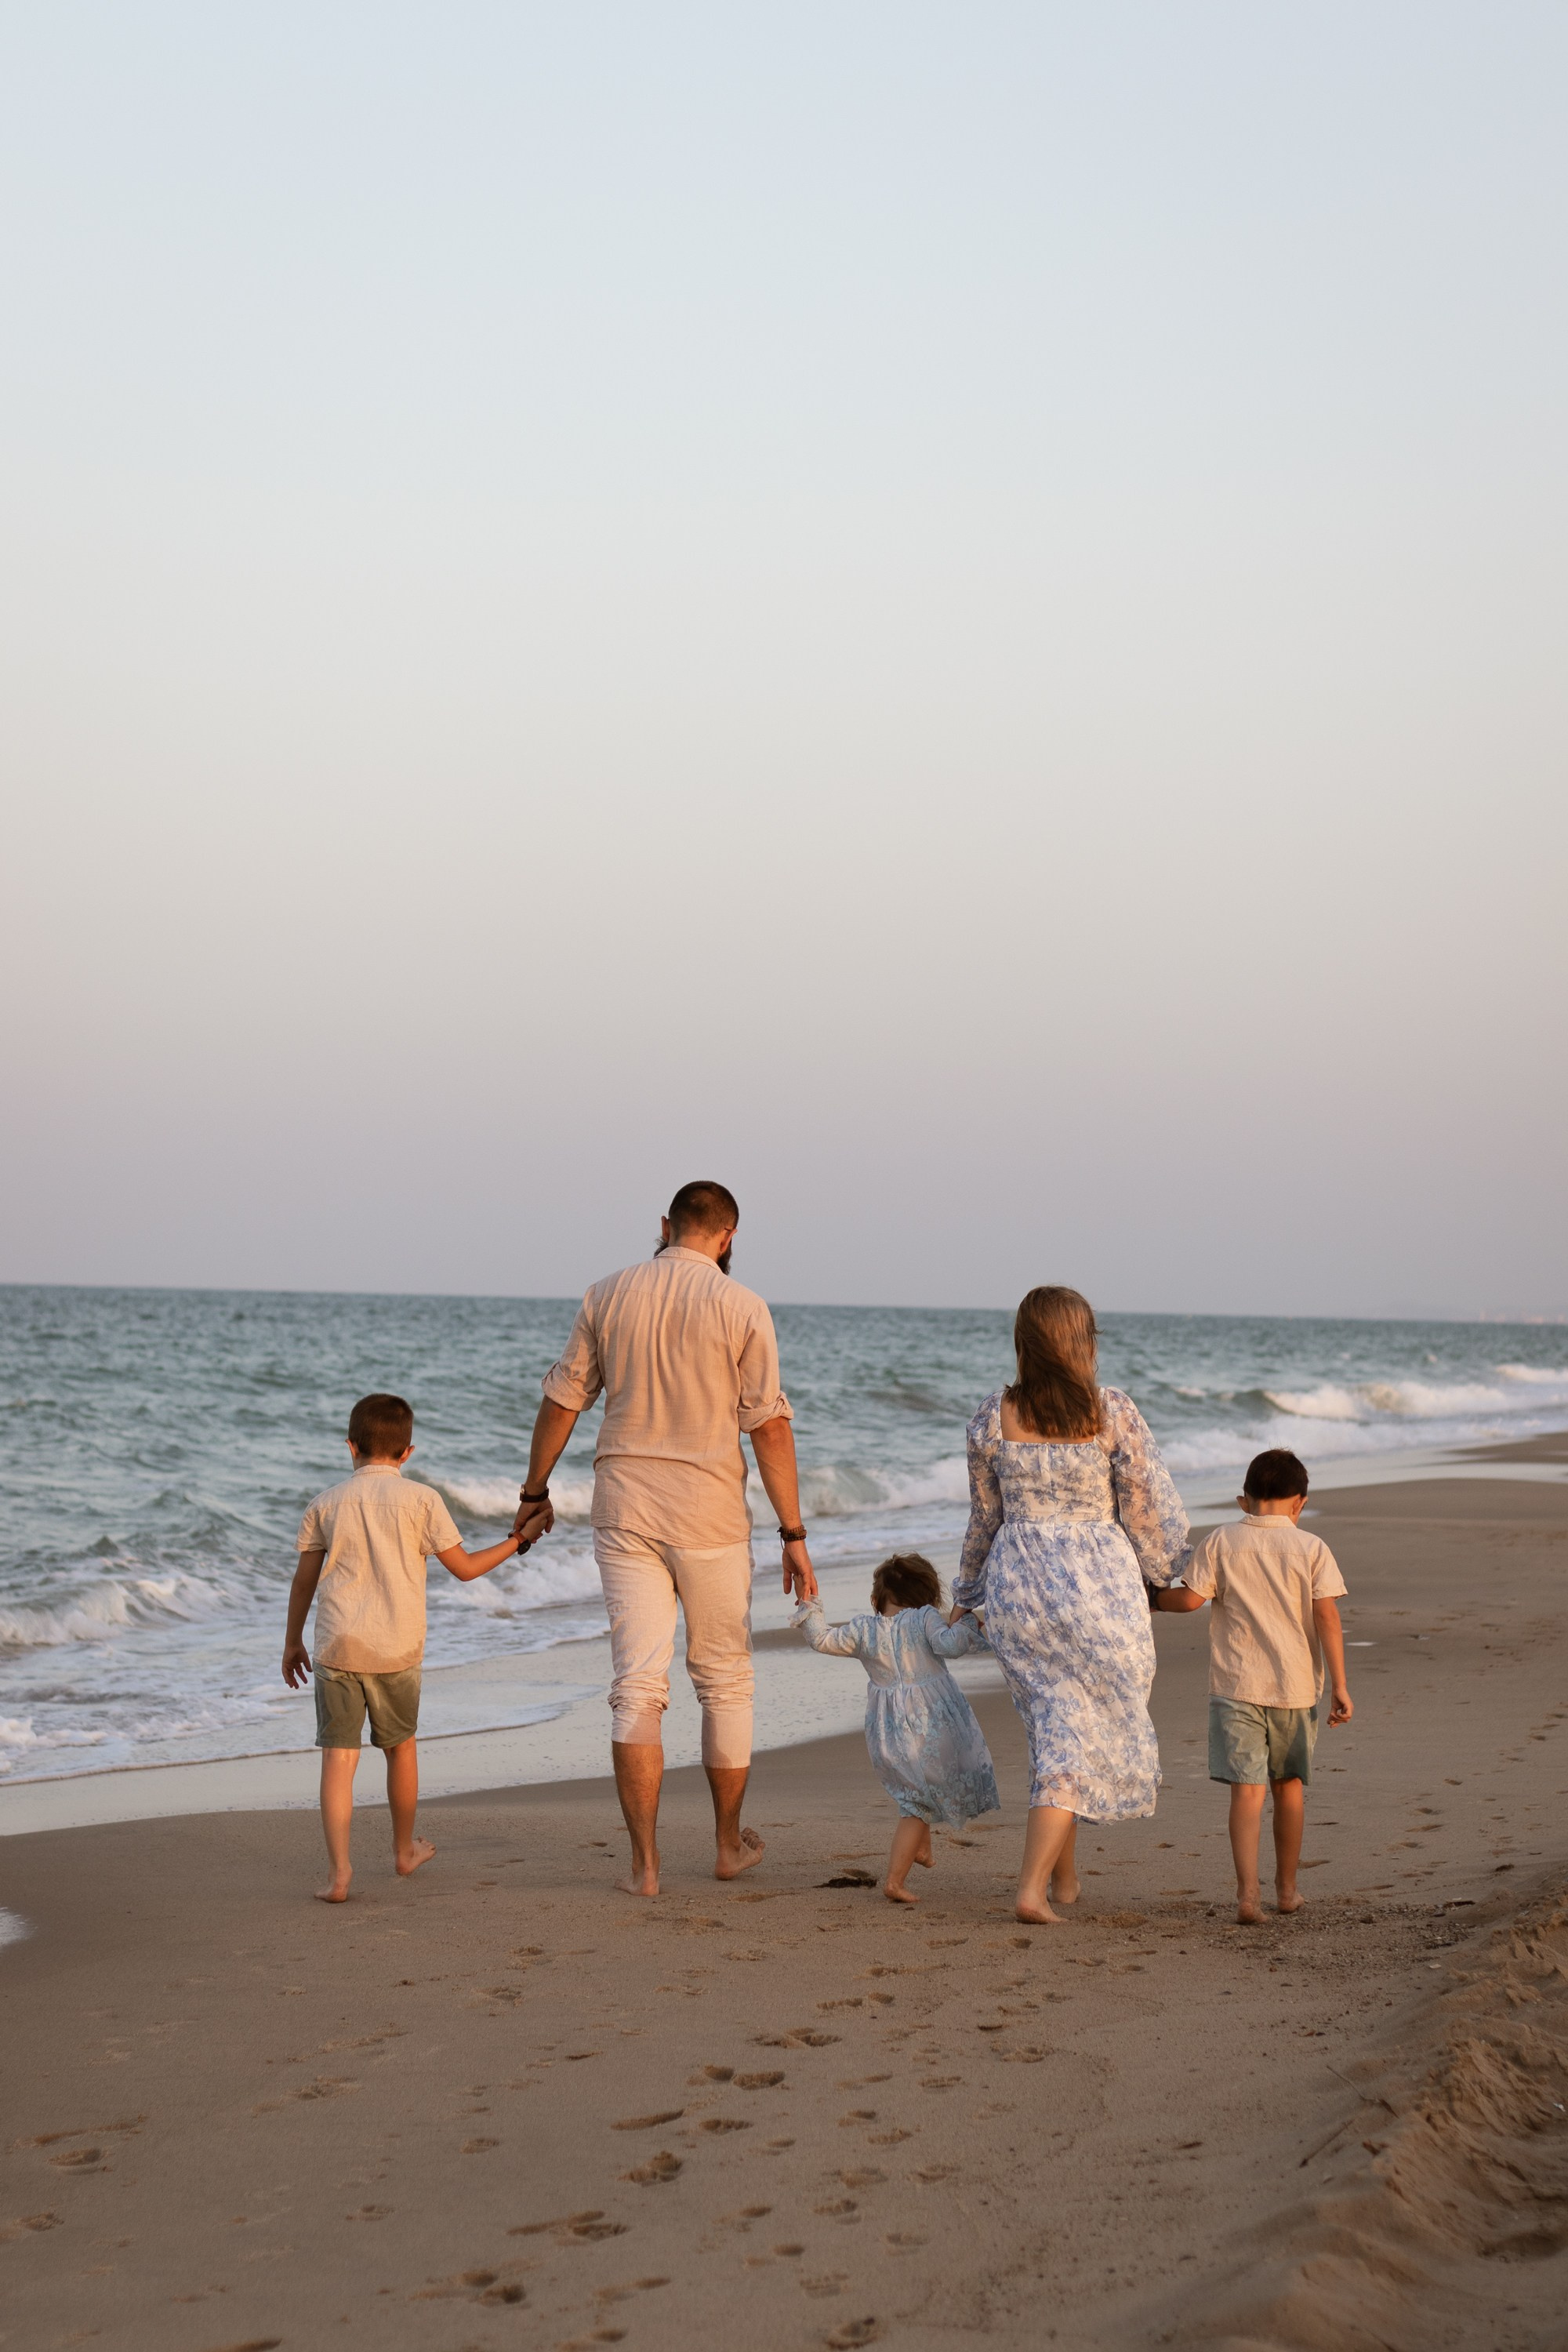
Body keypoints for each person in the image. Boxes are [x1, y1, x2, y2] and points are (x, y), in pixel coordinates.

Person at [510, 1181, 818, 1897]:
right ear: (729, 1237)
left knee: (636, 1688)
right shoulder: (743, 1306)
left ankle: (644, 1868)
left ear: (664, 1226)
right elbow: (769, 1426)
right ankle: (725, 1846)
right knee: (725, 1680)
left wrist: (534, 1493)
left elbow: (563, 1400)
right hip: (709, 1515)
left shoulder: (606, 1294)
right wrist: (793, 1533)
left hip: (624, 1508)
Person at [954, 1286, 1189, 1926]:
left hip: (1020, 1588)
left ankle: (1066, 1878)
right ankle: (1031, 1887)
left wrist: (968, 1592)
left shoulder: (991, 1416)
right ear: (1083, 1341)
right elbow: (1146, 1506)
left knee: (1054, 1723)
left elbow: (985, 1519)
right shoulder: (1111, 1411)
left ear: (1024, 1343)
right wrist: (1168, 1576)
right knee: (1072, 1730)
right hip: (1098, 1589)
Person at [282, 1392, 546, 1904]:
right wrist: (520, 1539)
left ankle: (339, 1875)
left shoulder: (325, 1504)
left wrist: (292, 1640)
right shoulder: (423, 1501)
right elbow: (465, 1569)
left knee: (339, 1760)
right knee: (400, 1749)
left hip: (338, 1647)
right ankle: (404, 1851)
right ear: (408, 1453)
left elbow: (302, 1584)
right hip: (396, 1649)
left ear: (350, 1446)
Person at [1152, 1446, 1352, 1924]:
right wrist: (1340, 1686)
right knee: (1290, 1788)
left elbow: (1192, 1600)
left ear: (1244, 1501)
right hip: (1296, 1689)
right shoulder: (1312, 1548)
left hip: (1235, 1687)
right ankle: (1287, 1890)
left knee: (1246, 1792)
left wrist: (1155, 1597)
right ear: (1299, 1502)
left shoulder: (1222, 1540)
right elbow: (1327, 1616)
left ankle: (1246, 1895)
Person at [793, 1552, 999, 1904]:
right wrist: (966, 1623)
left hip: (889, 1731)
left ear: (876, 1600)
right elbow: (949, 1645)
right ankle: (895, 1881)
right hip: (933, 1724)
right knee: (918, 1802)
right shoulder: (925, 1619)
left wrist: (808, 1600)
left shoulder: (863, 1629)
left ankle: (923, 1848)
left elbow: (821, 1639)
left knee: (917, 1789)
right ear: (930, 1598)